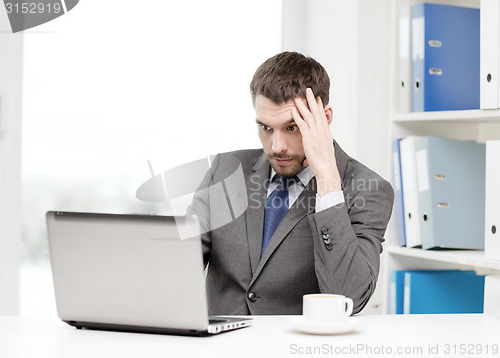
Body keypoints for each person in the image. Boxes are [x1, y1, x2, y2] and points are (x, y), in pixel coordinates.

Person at [187, 51, 394, 315]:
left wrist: (328, 182)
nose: (277, 146)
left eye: (292, 128)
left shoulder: (369, 188)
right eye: (266, 128)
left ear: (325, 119)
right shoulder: (225, 170)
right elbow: (176, 268)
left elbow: (349, 298)